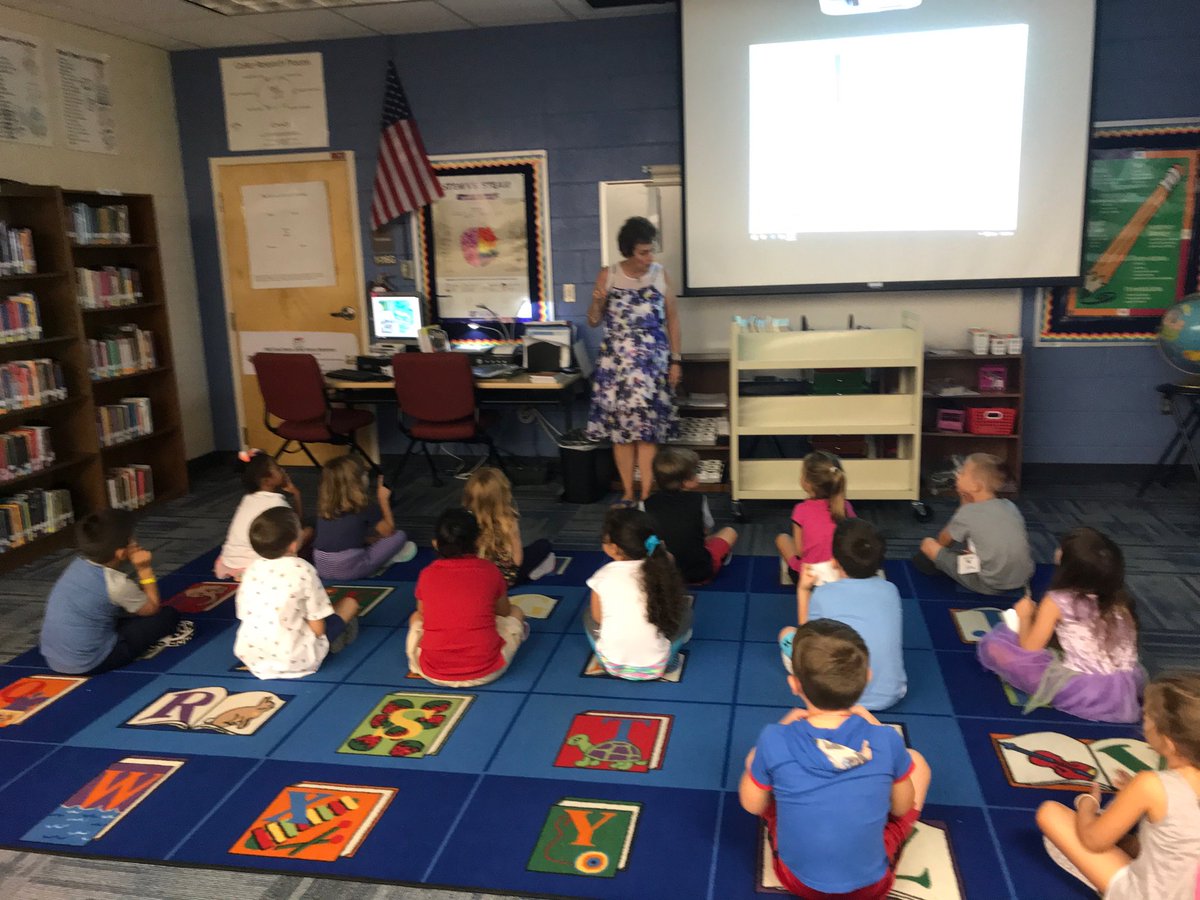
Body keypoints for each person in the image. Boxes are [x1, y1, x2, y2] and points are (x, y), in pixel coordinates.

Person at [740, 619, 932, 899]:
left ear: (794, 684)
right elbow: (901, 808)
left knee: (759, 766)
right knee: (917, 764)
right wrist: (878, 731)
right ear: (867, 677)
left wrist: (767, 744)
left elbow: (752, 805)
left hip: (797, 880)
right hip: (869, 888)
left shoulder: (774, 739)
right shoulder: (886, 740)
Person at [1036, 672, 1200, 898]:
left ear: (1169, 742)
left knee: (1050, 813)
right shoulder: (1155, 787)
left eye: (1147, 717)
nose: (1144, 722)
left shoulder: (1150, 785)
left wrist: (1087, 806)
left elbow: (1093, 841)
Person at [977, 526, 1144, 723]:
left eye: (1062, 549)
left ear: (1070, 567)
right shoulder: (1121, 599)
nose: (1057, 550)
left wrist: (1024, 616)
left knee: (995, 646)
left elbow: (1029, 649)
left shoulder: (1057, 600)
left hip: (1085, 690)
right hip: (1126, 684)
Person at [586, 215, 682, 507]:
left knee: (648, 432)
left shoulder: (661, 275)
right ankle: (628, 492)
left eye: (651, 251)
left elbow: (673, 320)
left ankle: (647, 492)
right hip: (617, 366)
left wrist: (676, 360)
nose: (649, 258)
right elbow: (593, 321)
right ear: (628, 251)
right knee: (622, 433)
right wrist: (598, 301)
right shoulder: (609, 274)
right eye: (643, 252)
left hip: (652, 363)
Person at [778, 519, 906, 711]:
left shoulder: (823, 594)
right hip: (891, 695)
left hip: (832, 697)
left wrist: (803, 591)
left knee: (787, 634)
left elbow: (808, 641)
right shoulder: (891, 590)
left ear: (834, 561)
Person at [39, 509, 188, 675]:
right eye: (131, 539)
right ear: (121, 553)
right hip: (92, 662)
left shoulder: (77, 564)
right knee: (167, 615)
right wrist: (144, 569)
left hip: (53, 658)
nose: (135, 541)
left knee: (122, 612)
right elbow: (152, 608)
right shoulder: (116, 584)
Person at [233, 506, 359, 680]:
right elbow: (318, 629)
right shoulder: (302, 569)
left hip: (253, 657)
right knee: (349, 604)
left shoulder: (251, 570)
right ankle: (333, 643)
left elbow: (244, 615)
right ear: (293, 545)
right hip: (298, 658)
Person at [407, 508, 527, 687]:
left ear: (435, 543)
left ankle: (416, 664)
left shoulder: (427, 574)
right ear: (479, 541)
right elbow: (504, 612)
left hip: (434, 672)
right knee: (516, 612)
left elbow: (422, 614)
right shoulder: (490, 570)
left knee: (415, 617)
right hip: (488, 670)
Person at [584, 507, 692, 680]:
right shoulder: (662, 567)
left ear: (614, 548)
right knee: (685, 611)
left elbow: (598, 618)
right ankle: (672, 657)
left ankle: (609, 657)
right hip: (658, 665)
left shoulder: (602, 576)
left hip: (612, 665)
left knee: (588, 615)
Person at [914, 452, 1033, 595]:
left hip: (989, 584)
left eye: (963, 472)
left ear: (975, 486)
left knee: (928, 545)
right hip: (1022, 578)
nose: (957, 474)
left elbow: (944, 541)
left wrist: (938, 555)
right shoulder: (1010, 506)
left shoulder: (968, 512)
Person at [643, 447, 738, 584]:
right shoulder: (699, 499)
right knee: (729, 532)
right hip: (700, 573)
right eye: (696, 472)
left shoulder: (646, 504)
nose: (698, 476)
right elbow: (707, 529)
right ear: (685, 482)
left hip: (663, 574)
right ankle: (719, 558)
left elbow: (645, 536)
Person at [313, 455, 415, 581]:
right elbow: (389, 532)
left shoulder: (324, 506)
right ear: (356, 482)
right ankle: (383, 562)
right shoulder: (364, 506)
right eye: (363, 473)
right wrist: (383, 500)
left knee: (367, 539)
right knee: (399, 536)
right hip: (350, 570)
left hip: (321, 568)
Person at [215, 451, 311, 581]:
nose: (283, 470)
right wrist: (296, 494)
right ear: (267, 481)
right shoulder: (277, 503)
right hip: (260, 565)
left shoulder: (247, 499)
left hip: (230, 562)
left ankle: (241, 574)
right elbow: (295, 529)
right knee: (309, 531)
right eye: (278, 469)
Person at [462, 466, 556, 586]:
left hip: (475, 578)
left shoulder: (464, 520)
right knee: (543, 545)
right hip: (504, 580)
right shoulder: (508, 521)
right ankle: (535, 572)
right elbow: (517, 561)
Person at [774, 451, 855, 585]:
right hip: (842, 577)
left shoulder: (801, 510)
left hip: (808, 579)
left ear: (807, 483)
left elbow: (800, 551)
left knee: (782, 538)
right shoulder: (845, 506)